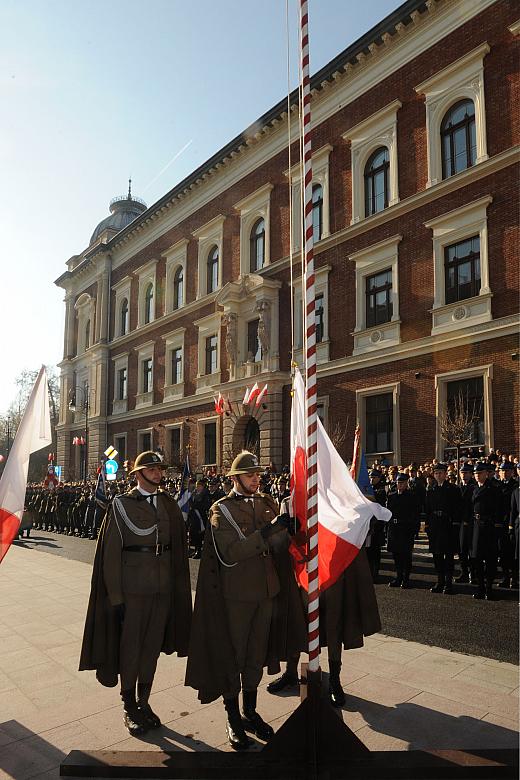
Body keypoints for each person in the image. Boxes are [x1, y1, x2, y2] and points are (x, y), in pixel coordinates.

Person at [185, 451, 306, 751]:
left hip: (266, 592)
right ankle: (232, 716)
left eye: (258, 474)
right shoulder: (220, 510)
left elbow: (278, 547)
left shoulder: (267, 503)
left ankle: (249, 710)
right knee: (235, 656)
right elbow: (231, 552)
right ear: (235, 478)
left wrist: (290, 532)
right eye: (250, 474)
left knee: (255, 656)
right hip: (237, 595)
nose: (256, 478)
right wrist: (268, 531)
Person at [79, 451, 192, 736]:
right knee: (131, 649)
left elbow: (177, 545)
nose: (158, 474)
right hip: (132, 591)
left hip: (162, 589)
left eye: (159, 469)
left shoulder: (167, 503)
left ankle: (144, 701)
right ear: (138, 474)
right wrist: (116, 597)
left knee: (151, 648)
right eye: (152, 470)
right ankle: (128, 704)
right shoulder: (122, 505)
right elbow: (111, 555)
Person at [425, 462, 462, 594]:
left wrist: (455, 524)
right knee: (437, 555)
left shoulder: (453, 489)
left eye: (440, 473)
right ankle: (440, 581)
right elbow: (428, 509)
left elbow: (457, 509)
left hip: (448, 525)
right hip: (435, 525)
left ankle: (448, 583)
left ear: (446, 474)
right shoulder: (431, 489)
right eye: (436, 473)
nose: (438, 475)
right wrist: (428, 525)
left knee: (448, 556)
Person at [470, 462, 501, 600]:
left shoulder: (493, 489)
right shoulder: (474, 488)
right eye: (475, 474)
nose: (477, 476)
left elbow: (499, 509)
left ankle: (489, 588)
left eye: (480, 473)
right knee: (477, 558)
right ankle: (480, 588)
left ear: (486, 474)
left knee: (490, 559)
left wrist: (495, 524)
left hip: (488, 526)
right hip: (477, 526)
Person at [386, 473, 420, 588]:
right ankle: (399, 576)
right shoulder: (391, 496)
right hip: (394, 529)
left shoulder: (412, 496)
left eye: (402, 483)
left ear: (406, 483)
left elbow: (415, 514)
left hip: (406, 529)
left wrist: (414, 530)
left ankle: (406, 579)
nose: (400, 485)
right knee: (396, 555)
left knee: (406, 555)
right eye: (398, 483)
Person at [456, 463, 476, 584]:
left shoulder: (473, 488)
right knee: (461, 549)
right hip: (460, 523)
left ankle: (473, 574)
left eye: (466, 473)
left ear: (470, 474)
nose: (464, 475)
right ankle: (464, 572)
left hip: (471, 522)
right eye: (462, 473)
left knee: (471, 549)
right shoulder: (458, 487)